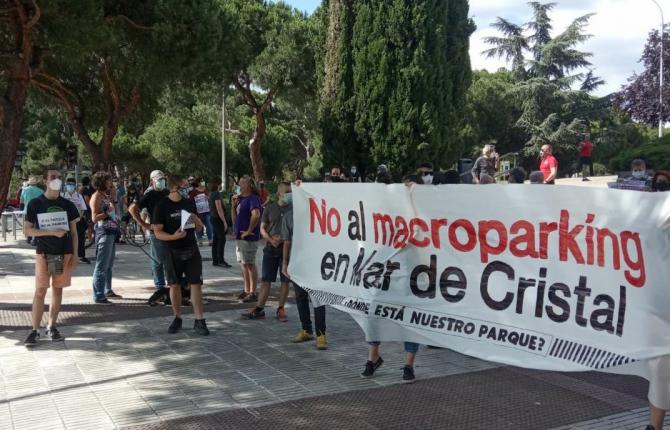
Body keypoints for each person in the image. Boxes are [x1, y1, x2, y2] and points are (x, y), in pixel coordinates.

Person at [23, 167, 80, 346]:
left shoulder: (68, 204)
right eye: (53, 177)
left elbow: (74, 233)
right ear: (45, 180)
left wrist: (76, 254)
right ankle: (34, 330)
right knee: (40, 291)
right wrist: (50, 232)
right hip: (43, 254)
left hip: (63, 254)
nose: (57, 180)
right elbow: (27, 230)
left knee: (57, 289)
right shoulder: (35, 204)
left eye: (60, 177)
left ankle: (52, 326)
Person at [152, 175, 209, 335]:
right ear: (174, 188)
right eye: (184, 186)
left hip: (191, 248)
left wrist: (197, 222)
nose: (188, 189)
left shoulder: (189, 203)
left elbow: (199, 228)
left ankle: (199, 320)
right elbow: (157, 232)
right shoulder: (162, 205)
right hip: (171, 251)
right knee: (174, 284)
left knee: (195, 284)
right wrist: (173, 237)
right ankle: (177, 317)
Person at [281, 186, 327, 350]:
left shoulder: (318, 215)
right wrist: (285, 263)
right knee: (300, 297)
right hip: (297, 262)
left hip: (315, 263)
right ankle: (306, 329)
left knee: (318, 298)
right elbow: (287, 242)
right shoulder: (288, 217)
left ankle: (321, 334)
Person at [242, 182, 292, 321]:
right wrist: (270, 239)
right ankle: (259, 309)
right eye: (286, 191)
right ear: (279, 193)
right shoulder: (270, 208)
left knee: (285, 281)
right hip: (270, 249)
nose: (289, 194)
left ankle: (281, 309)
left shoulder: (294, 209)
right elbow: (263, 228)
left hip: (287, 250)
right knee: (266, 280)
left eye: (291, 191)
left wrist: (284, 239)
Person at [129, 170, 170, 305]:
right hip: (155, 232)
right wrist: (144, 225)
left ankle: (168, 287)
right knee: (158, 260)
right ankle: (160, 288)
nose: (161, 181)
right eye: (159, 179)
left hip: (168, 231)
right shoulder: (149, 194)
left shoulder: (166, 192)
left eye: (163, 178)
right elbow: (134, 209)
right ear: (152, 180)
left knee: (165, 259)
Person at [90, 171, 121, 303]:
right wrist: (106, 212)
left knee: (109, 264)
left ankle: (107, 290)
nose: (111, 183)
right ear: (102, 182)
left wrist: (113, 199)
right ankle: (98, 295)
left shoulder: (105, 196)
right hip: (104, 233)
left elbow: (115, 211)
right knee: (102, 265)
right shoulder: (96, 196)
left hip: (111, 232)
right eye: (108, 180)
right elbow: (94, 218)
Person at [231, 175, 262, 303]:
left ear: (248, 185)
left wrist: (249, 230)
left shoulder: (253, 199)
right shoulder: (240, 200)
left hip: (248, 237)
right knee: (243, 263)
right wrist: (233, 205)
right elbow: (234, 219)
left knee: (249, 264)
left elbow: (256, 215)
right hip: (240, 236)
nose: (238, 186)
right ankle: (247, 290)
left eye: (241, 184)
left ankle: (253, 292)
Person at [61, 176, 89, 264]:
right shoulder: (62, 195)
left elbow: (83, 209)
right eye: (68, 184)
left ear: (75, 185)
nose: (70, 186)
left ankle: (81, 256)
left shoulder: (78, 195)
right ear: (65, 185)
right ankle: (65, 255)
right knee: (65, 239)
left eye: (72, 184)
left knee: (80, 238)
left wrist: (78, 219)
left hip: (77, 221)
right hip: (65, 221)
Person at [208, 177, 231, 268]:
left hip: (213, 218)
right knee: (222, 239)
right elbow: (219, 209)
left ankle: (215, 260)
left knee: (216, 239)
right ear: (218, 184)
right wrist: (224, 222)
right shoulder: (216, 194)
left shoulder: (211, 193)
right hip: (217, 219)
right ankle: (220, 260)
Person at [188, 177, 213, 246]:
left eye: (203, 181)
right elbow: (190, 201)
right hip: (198, 212)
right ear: (198, 182)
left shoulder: (206, 190)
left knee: (209, 225)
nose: (203, 182)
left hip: (207, 211)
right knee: (199, 226)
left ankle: (210, 240)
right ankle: (200, 240)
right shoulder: (193, 191)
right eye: (201, 181)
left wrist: (208, 198)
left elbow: (211, 198)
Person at [20, 175, 44, 245]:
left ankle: (28, 238)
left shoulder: (24, 190)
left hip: (27, 209)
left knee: (28, 225)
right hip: (38, 210)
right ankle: (36, 239)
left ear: (29, 183)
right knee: (36, 225)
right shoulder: (41, 190)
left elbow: (21, 200)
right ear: (36, 183)